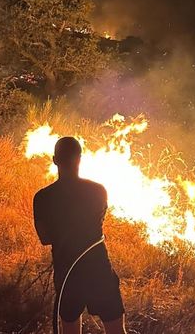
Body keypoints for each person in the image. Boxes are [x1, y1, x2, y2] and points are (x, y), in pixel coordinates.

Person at [33, 137, 126, 334]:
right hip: (99, 271)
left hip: (67, 273)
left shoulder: (42, 197)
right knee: (116, 331)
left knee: (70, 330)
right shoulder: (98, 191)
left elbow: (45, 238)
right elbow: (99, 221)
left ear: (54, 160)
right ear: (80, 159)